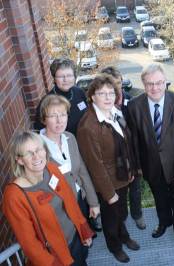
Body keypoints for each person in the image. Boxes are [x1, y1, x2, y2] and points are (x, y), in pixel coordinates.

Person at [127, 63, 174, 251]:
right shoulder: (134, 106)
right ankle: (164, 223)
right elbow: (133, 140)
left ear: (165, 82)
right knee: (160, 199)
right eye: (149, 84)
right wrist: (138, 166)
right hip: (151, 167)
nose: (155, 88)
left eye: (159, 83)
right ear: (143, 84)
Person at [2, 131, 94, 266]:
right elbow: (29, 243)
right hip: (55, 257)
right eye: (28, 153)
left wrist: (83, 230)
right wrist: (51, 263)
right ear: (19, 160)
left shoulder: (51, 168)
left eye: (39, 149)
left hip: (76, 240)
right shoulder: (14, 196)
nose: (36, 156)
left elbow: (70, 201)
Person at [77, 74, 140, 263]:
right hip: (107, 182)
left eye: (110, 93)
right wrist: (108, 192)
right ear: (92, 97)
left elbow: (126, 143)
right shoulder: (88, 126)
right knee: (110, 218)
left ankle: (124, 235)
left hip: (122, 176)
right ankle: (115, 246)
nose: (107, 97)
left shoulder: (115, 111)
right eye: (101, 94)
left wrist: (130, 170)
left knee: (121, 212)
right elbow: (95, 165)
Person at [39, 94, 101, 232]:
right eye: (53, 116)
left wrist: (93, 202)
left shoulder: (70, 137)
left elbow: (82, 171)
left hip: (80, 198)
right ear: (44, 119)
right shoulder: (37, 148)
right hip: (60, 209)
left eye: (63, 114)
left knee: (86, 235)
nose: (59, 120)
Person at [100, 66, 146, 230]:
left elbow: (138, 132)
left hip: (132, 155)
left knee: (135, 189)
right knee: (121, 190)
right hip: (115, 158)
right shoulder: (100, 106)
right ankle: (123, 216)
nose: (117, 87)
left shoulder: (130, 101)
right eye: (112, 84)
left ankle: (137, 214)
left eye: (119, 82)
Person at [34, 58, 87, 136]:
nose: (65, 80)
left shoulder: (79, 92)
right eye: (61, 76)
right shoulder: (47, 102)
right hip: (66, 144)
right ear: (54, 79)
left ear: (74, 76)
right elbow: (40, 132)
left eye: (69, 75)